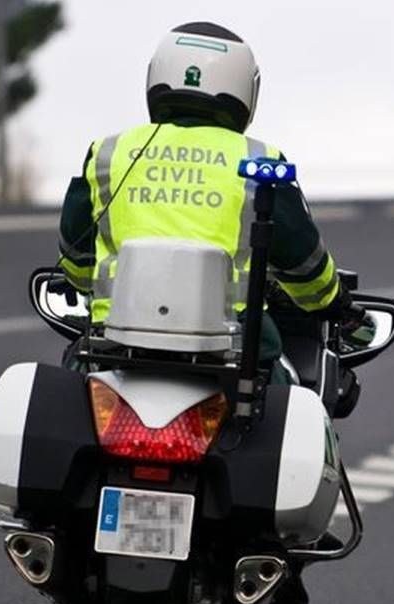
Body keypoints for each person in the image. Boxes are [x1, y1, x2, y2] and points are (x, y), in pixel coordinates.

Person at [55, 21, 371, 376]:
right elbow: (303, 260)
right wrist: (334, 302)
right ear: (246, 90)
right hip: (234, 353)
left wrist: (86, 283)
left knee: (69, 383)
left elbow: (75, 252)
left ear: (156, 77)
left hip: (113, 343)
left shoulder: (109, 153)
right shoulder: (259, 159)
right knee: (295, 402)